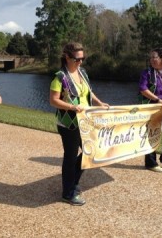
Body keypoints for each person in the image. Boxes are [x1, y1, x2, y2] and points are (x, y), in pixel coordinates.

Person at [50, 42, 109, 206]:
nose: (80, 62)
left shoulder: (82, 72)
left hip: (85, 121)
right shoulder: (60, 77)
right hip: (69, 124)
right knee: (70, 157)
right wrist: (72, 107)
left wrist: (99, 103)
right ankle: (68, 193)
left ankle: (72, 182)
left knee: (91, 151)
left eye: (83, 58)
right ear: (67, 57)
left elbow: (89, 92)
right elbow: (53, 100)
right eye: (77, 59)